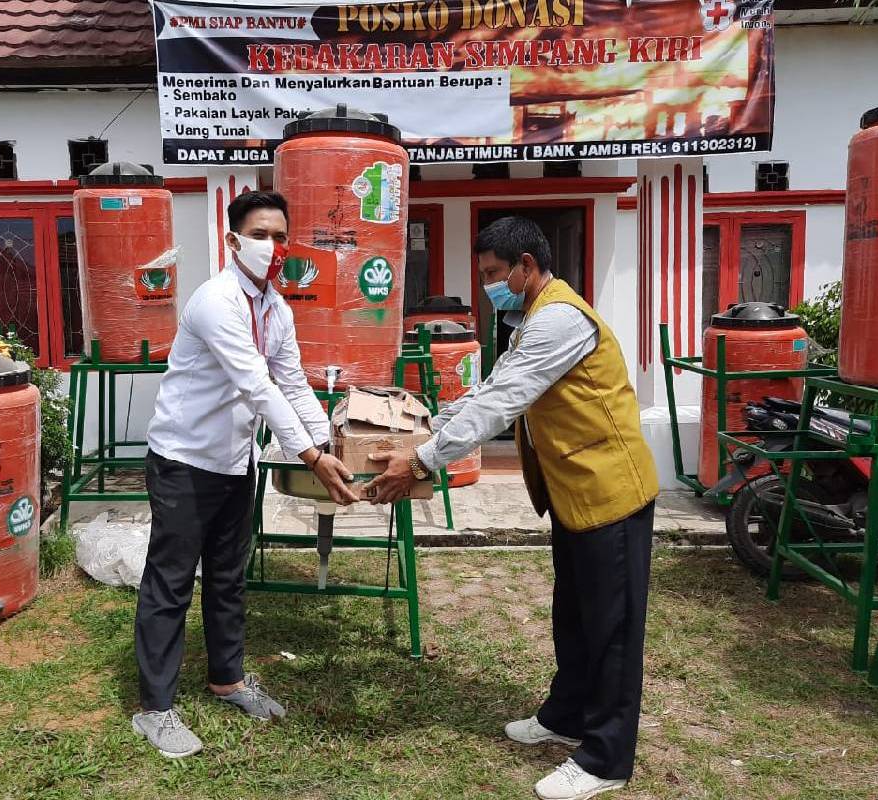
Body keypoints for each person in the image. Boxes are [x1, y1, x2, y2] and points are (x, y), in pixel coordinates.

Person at [367, 216, 659, 800]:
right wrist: (430, 428)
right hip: (574, 493)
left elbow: (504, 402)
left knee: (613, 630)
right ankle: (566, 715)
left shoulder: (559, 319)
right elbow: (487, 390)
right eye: (484, 276)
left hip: (611, 493)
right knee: (574, 614)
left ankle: (606, 757)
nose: (489, 285)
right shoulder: (527, 319)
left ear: (528, 265)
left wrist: (422, 461)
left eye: (496, 274)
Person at [133, 190, 359, 759]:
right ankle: (156, 708)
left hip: (235, 462)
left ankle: (227, 678)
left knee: (229, 576)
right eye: (261, 235)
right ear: (233, 241)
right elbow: (256, 385)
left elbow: (293, 382)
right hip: (184, 460)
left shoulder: (276, 309)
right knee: (171, 582)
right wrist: (309, 457)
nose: (273, 247)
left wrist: (328, 441)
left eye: (282, 236)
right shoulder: (216, 302)